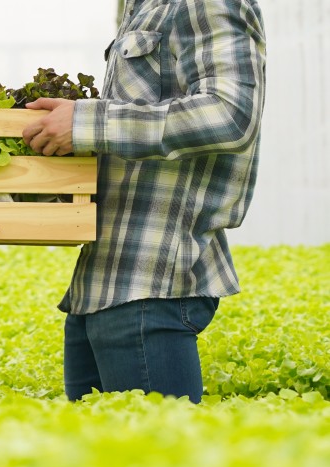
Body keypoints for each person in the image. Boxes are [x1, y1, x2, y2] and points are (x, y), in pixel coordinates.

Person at [21, 0, 266, 403]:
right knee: (100, 462)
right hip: (99, 285)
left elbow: (230, 114)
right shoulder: (141, 6)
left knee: (162, 461)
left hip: (150, 281)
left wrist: (87, 122)